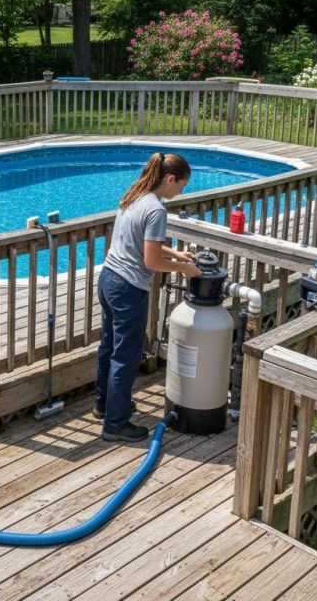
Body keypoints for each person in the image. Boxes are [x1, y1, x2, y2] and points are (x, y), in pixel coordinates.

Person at [95, 152, 201, 442]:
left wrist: (175, 252)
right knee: (125, 357)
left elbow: (140, 242)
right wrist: (185, 269)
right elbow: (150, 262)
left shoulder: (134, 196)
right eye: (181, 185)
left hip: (108, 280)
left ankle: (104, 405)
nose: (181, 191)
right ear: (170, 179)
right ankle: (115, 424)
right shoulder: (156, 210)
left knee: (109, 347)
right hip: (129, 288)